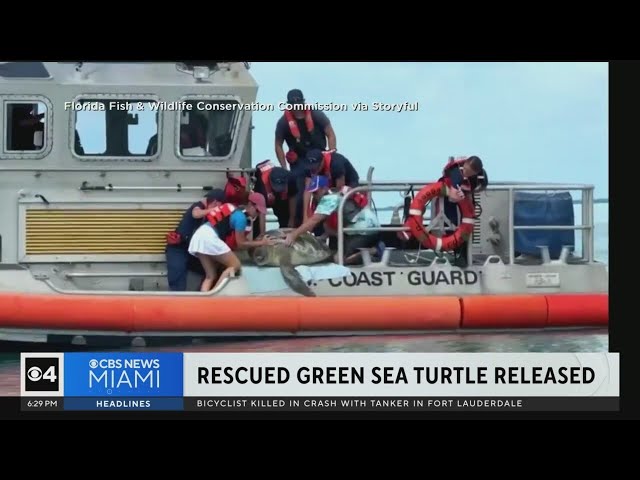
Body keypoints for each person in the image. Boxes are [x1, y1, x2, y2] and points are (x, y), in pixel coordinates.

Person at [188, 192, 276, 291]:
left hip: (200, 235)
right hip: (210, 237)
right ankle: (214, 296)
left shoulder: (236, 210)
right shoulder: (241, 218)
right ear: (251, 205)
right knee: (235, 265)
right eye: (257, 210)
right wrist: (262, 243)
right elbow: (241, 244)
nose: (258, 213)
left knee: (210, 275)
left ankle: (204, 300)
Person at [284, 175, 380, 265]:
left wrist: (294, 234)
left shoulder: (329, 199)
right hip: (367, 228)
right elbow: (327, 225)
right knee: (334, 248)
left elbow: (313, 221)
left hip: (364, 232)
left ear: (324, 188)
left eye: (316, 192)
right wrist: (323, 236)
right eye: (313, 193)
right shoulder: (336, 193)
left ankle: (373, 251)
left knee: (339, 260)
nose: (315, 195)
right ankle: (362, 250)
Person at [165, 189, 226, 292]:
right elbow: (195, 214)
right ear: (216, 202)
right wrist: (213, 210)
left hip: (192, 251)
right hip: (178, 249)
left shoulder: (209, 214)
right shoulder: (198, 206)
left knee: (213, 270)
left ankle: (202, 295)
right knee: (178, 282)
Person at [435, 155, 488, 266]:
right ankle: (456, 253)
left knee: (468, 225)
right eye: (466, 170)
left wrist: (471, 193)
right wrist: (459, 194)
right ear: (465, 165)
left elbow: (484, 184)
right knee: (451, 223)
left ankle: (463, 254)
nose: (466, 173)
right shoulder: (456, 172)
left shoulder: (480, 174)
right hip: (448, 197)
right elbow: (453, 195)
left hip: (465, 196)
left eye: (470, 173)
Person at [274, 89, 337, 176]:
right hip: (298, 161)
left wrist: (331, 156)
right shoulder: (283, 122)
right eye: (293, 105)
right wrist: (284, 168)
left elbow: (330, 134)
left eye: (299, 104)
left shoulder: (317, 115)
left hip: (319, 156)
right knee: (298, 183)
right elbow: (278, 145)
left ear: (303, 103)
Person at [301, 148, 360, 224]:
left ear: (322, 161)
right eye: (312, 168)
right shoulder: (308, 167)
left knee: (331, 202)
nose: (314, 170)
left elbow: (339, 191)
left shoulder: (336, 164)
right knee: (317, 198)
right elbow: (308, 190)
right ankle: (318, 228)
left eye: (316, 167)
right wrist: (305, 216)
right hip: (327, 182)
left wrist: (326, 197)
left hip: (348, 183)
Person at [252, 160, 298, 236]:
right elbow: (261, 212)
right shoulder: (262, 185)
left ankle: (285, 235)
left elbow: (292, 197)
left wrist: (292, 219)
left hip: (281, 199)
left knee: (286, 218)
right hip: (264, 197)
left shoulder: (291, 178)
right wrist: (262, 235)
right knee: (256, 224)